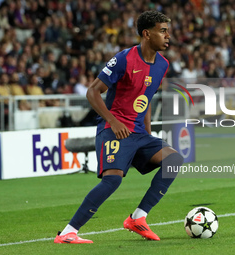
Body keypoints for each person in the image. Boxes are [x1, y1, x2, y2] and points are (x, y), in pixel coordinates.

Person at [54, 10, 184, 244]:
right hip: (113, 129)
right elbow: (93, 91)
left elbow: (146, 99)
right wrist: (113, 121)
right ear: (146, 34)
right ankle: (67, 232)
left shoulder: (162, 65)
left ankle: (138, 217)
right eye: (162, 31)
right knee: (112, 180)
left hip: (138, 133)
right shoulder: (124, 59)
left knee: (173, 159)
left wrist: (148, 133)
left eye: (168, 31)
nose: (168, 36)